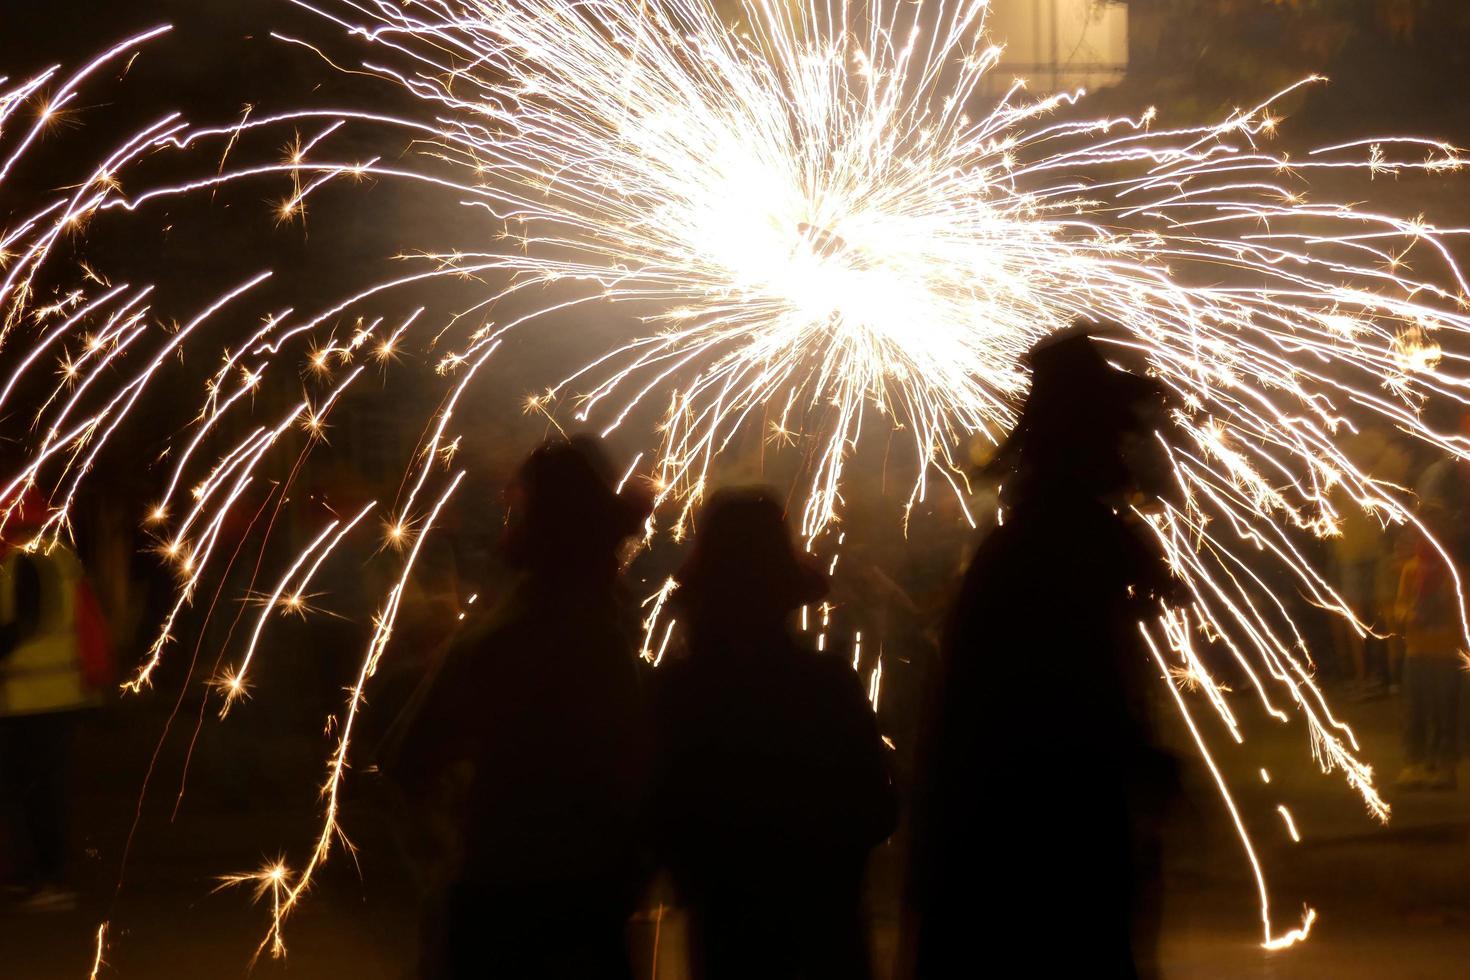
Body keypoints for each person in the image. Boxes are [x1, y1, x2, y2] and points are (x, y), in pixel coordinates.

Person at [903, 326, 1179, 979]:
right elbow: (1060, 707)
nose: (1125, 451)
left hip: (1026, 842)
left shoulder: (1048, 544)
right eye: (1111, 434)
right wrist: (1133, 756)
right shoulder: (1058, 551)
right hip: (1039, 852)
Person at [393, 436, 653, 979]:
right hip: (562, 914)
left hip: (499, 900)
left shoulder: (498, 635)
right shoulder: (589, 642)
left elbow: (407, 756)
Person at [653, 488, 897, 980]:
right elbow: (879, 808)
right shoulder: (827, 684)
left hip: (728, 938)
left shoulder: (677, 694)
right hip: (824, 935)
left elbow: (658, 821)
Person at [0, 489, 113, 910]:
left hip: (34, 700)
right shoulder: (57, 557)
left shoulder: (29, 559)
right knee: (36, 792)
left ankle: (47, 878)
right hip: (52, 696)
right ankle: (37, 876)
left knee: (35, 794)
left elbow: (23, 625)